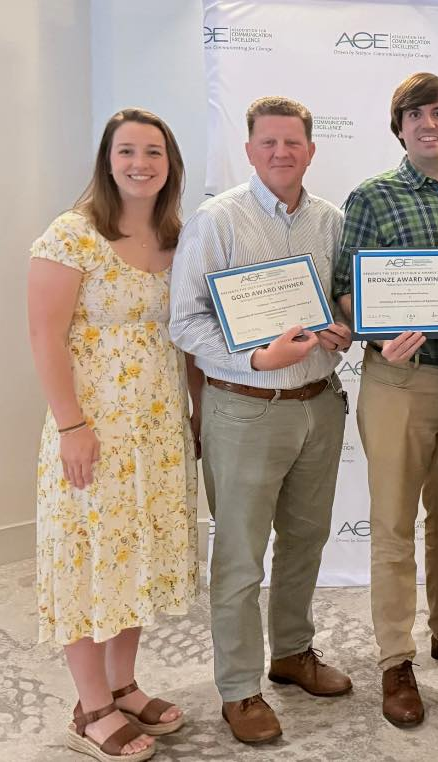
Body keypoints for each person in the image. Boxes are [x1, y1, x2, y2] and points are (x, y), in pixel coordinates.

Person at [170, 96, 354, 745]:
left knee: (305, 543)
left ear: (310, 149)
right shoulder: (214, 221)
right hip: (243, 408)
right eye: (268, 142)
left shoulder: (332, 222)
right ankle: (239, 687)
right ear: (249, 150)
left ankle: (292, 652)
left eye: (292, 142)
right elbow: (184, 320)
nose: (281, 152)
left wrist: (345, 326)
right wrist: (254, 354)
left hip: (318, 407)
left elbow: (342, 304)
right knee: (242, 558)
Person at [28, 108, 196, 761]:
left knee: (132, 560)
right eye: (126, 151)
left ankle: (124, 686)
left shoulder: (174, 236)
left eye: (153, 152)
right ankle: (90, 705)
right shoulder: (72, 235)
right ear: (107, 160)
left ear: (169, 165)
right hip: (91, 433)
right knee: (86, 559)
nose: (140, 163)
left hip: (155, 432)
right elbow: (44, 334)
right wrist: (71, 424)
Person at [333, 72, 438, 728]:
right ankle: (396, 659)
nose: (430, 124)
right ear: (400, 126)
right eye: (417, 114)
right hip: (400, 381)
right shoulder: (373, 195)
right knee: (394, 525)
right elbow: (344, 288)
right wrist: (375, 328)